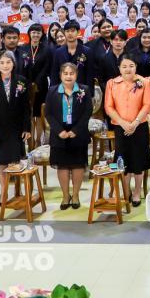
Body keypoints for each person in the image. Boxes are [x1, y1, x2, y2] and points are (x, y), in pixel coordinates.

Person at [104, 56, 150, 207]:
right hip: (120, 127)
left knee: (138, 161)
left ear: (136, 67)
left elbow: (147, 104)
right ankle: (126, 192)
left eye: (131, 65)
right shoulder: (112, 83)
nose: (128, 69)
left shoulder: (145, 82)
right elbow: (108, 107)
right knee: (122, 161)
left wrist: (135, 122)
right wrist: (123, 123)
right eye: (124, 66)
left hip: (139, 127)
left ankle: (137, 192)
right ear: (119, 68)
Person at [46, 62, 91, 210]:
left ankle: (76, 195)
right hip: (59, 134)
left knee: (78, 165)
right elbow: (48, 114)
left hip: (78, 133)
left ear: (76, 75)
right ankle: (66, 196)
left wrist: (76, 130)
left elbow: (87, 112)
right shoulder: (52, 91)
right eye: (65, 73)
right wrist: (59, 131)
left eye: (72, 73)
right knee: (63, 166)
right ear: (60, 75)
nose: (68, 76)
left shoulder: (84, 90)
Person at [0, 50, 31, 185]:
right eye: (2, 63)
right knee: (2, 163)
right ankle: (3, 192)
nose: (5, 65)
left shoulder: (21, 81)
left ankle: (17, 191)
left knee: (16, 161)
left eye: (8, 62)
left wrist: (27, 128)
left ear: (13, 63)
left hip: (17, 129)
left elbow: (26, 108)